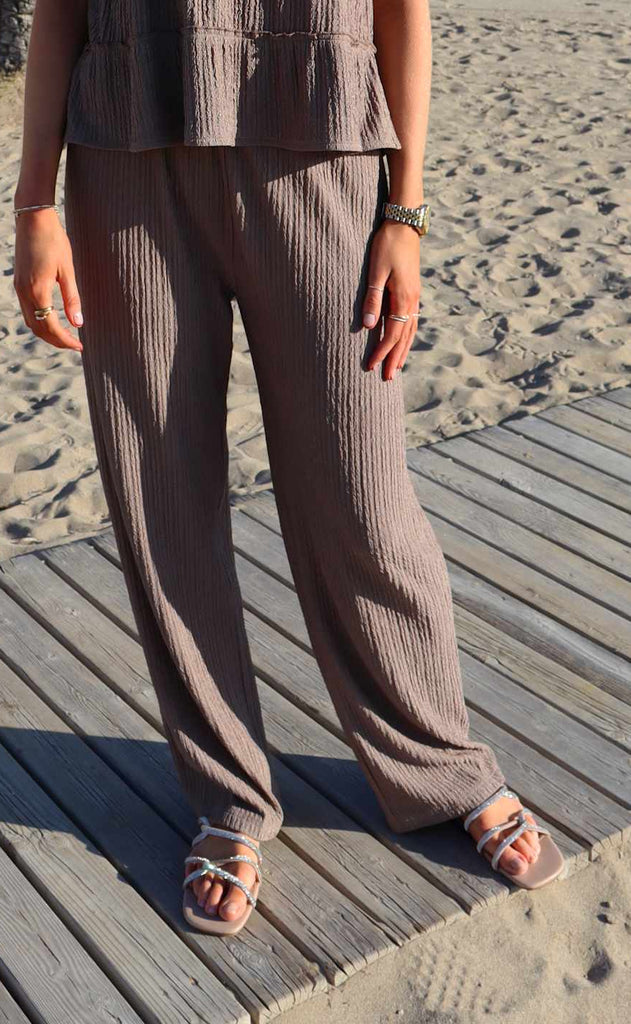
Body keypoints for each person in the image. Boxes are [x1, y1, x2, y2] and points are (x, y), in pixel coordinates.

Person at [12, 0, 563, 937]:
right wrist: (35, 205)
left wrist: (404, 212)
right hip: (126, 156)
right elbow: (62, 8)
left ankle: (438, 762)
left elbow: (401, 9)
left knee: (363, 498)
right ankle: (227, 795)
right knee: (160, 501)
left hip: (322, 148)